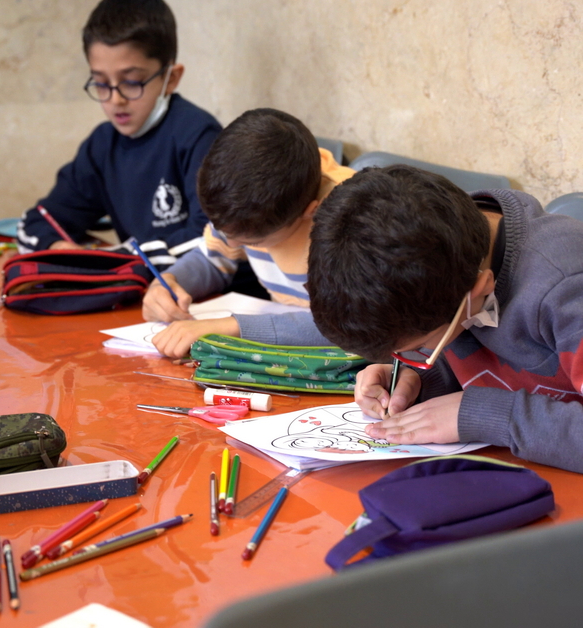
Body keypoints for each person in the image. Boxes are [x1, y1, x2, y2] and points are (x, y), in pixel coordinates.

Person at [306, 164, 583, 473]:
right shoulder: (443, 254)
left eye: (418, 348)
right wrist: (422, 379)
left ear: (480, 289)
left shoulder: (566, 285)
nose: (411, 356)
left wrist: (488, 416)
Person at [15, 0, 221, 261]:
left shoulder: (199, 136)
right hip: (135, 281)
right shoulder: (102, 146)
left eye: (132, 82)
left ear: (171, 78)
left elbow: (214, 241)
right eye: (101, 84)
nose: (115, 100)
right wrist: (58, 249)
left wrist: (117, 260)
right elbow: (38, 222)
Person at [143, 108, 355, 358]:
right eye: (222, 230)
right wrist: (169, 282)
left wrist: (232, 327)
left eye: (252, 242)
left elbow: (349, 324)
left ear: (310, 212)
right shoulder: (249, 201)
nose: (231, 243)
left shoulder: (350, 222)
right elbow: (212, 259)